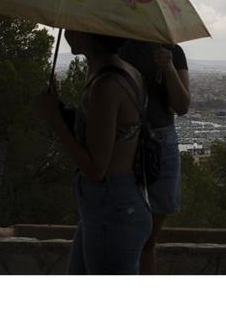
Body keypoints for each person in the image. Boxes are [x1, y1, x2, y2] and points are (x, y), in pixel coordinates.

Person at [35, 30, 151, 274]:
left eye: (74, 27)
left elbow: (96, 168)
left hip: (111, 207)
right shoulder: (128, 73)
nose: (67, 33)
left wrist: (54, 119)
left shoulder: (106, 86)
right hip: (116, 203)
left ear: (87, 36)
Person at [118, 40, 190, 274]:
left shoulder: (172, 52)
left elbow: (182, 106)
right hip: (128, 140)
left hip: (160, 139)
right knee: (128, 235)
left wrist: (168, 69)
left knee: (148, 239)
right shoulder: (118, 48)